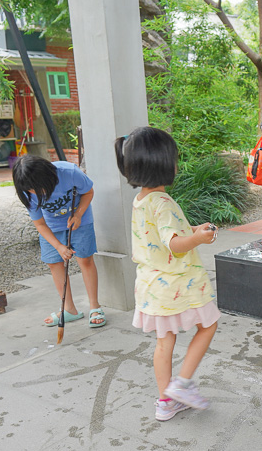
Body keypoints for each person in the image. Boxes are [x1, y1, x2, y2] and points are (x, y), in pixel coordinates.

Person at [115, 127, 219, 422]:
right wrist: (199, 238)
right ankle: (182, 384)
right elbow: (175, 244)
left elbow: (160, 238)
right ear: (161, 164)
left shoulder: (142, 200)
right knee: (209, 324)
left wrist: (194, 230)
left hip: (151, 284)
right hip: (176, 282)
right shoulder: (164, 203)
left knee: (164, 342)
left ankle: (165, 403)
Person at [13, 155, 106, 329]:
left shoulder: (69, 172)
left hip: (80, 220)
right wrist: (59, 246)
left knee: (85, 259)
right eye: (30, 190)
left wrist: (78, 214)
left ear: (48, 177)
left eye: (37, 188)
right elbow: (39, 224)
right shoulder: (26, 191)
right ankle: (69, 309)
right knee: (54, 263)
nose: (34, 192)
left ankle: (95, 306)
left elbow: (88, 192)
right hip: (51, 226)